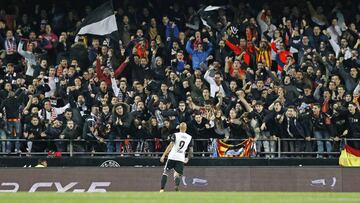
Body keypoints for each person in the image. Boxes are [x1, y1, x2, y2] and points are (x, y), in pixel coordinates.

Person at [159, 122, 193, 192]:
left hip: (172, 156)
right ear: (186, 128)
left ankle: (162, 189)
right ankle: (176, 187)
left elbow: (170, 146)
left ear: (179, 128)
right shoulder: (189, 137)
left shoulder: (175, 135)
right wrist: (188, 158)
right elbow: (191, 150)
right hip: (181, 157)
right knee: (177, 174)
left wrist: (163, 155)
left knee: (166, 172)